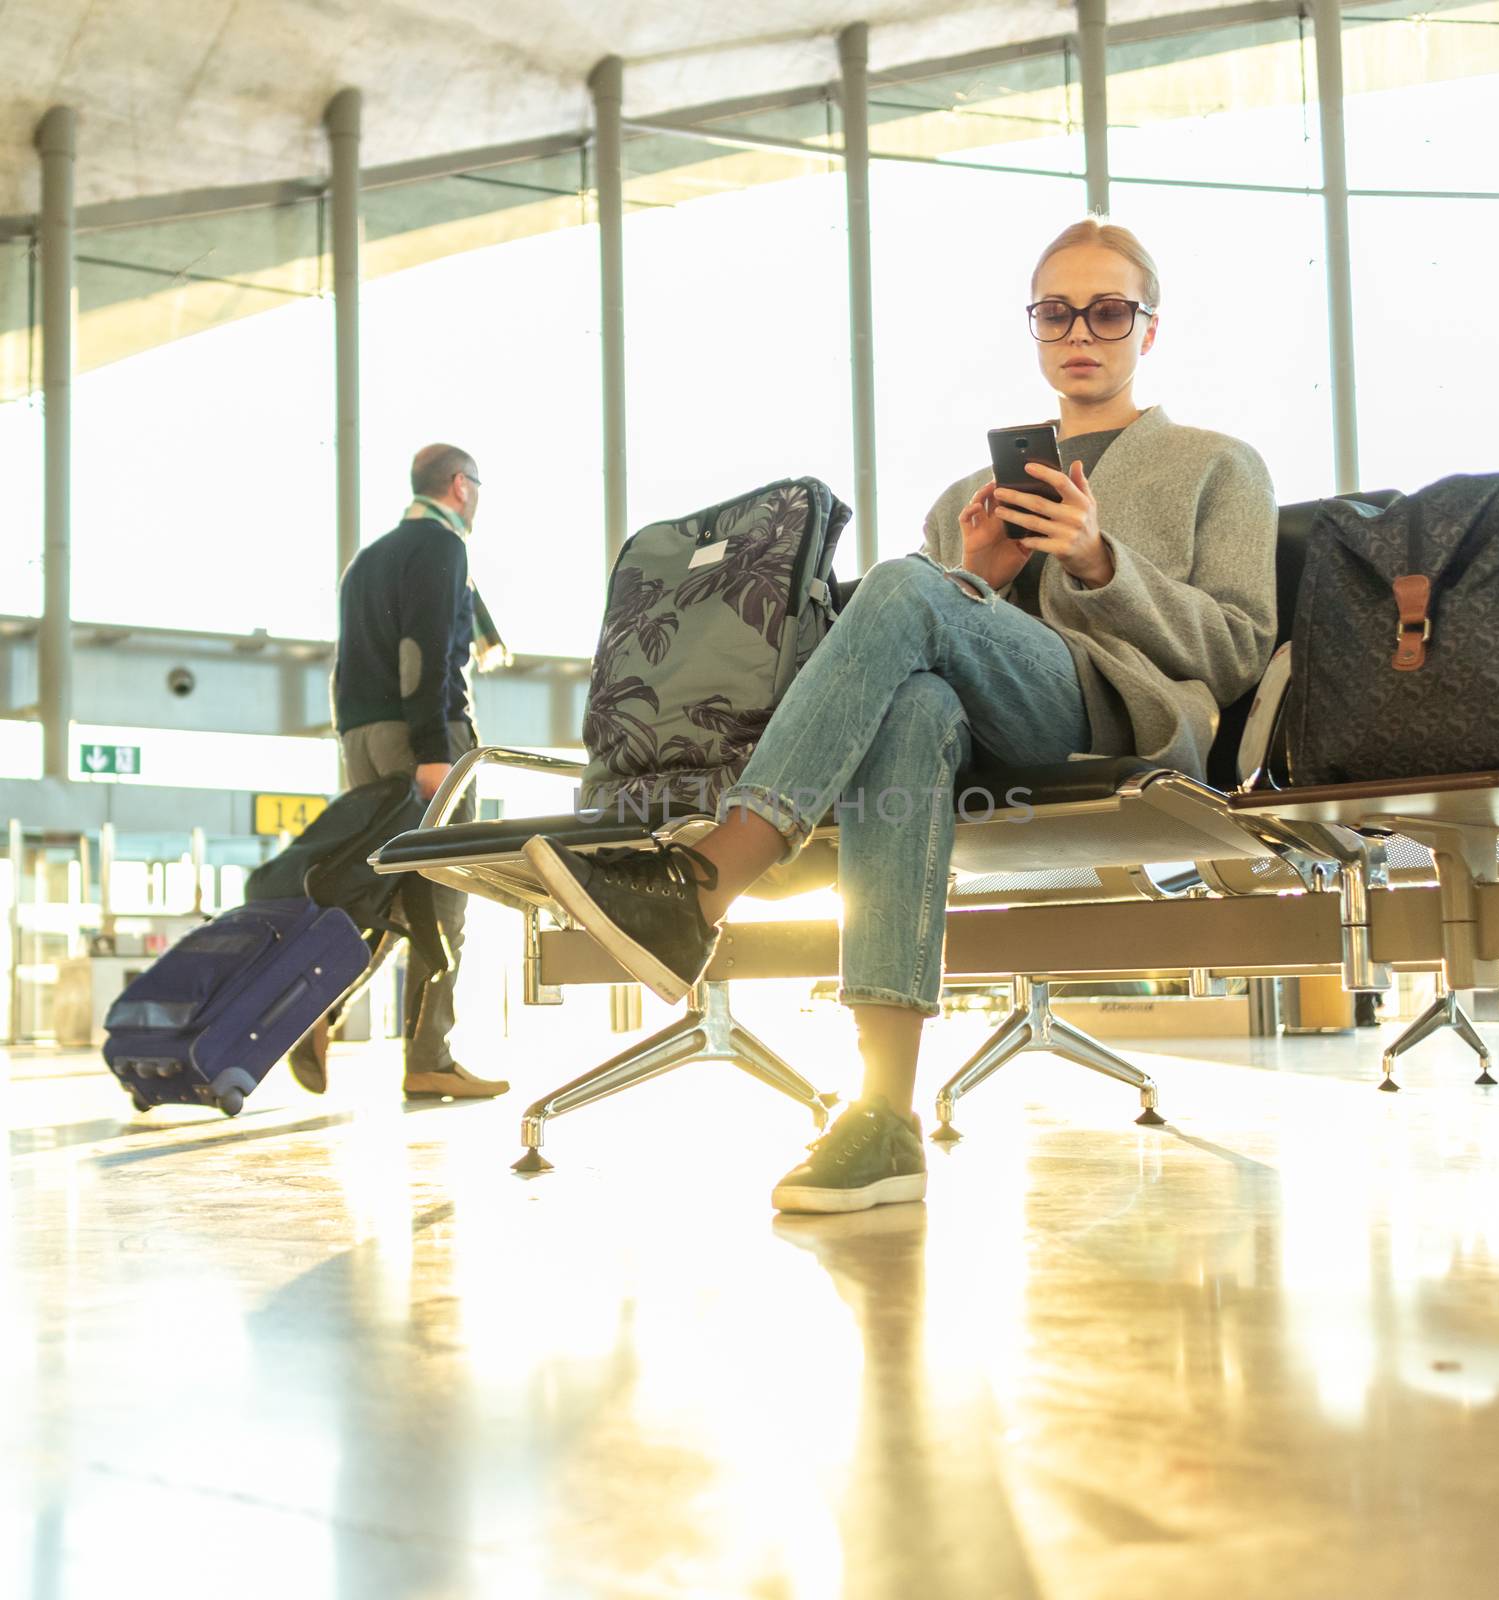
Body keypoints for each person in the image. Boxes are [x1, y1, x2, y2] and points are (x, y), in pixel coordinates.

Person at [526, 219, 1278, 1209]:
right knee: (914, 703)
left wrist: (1101, 563)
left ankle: (709, 878)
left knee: (900, 585)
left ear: (1148, 331)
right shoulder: (972, 493)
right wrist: (978, 577)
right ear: (1035, 329)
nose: (1080, 330)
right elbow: (922, 648)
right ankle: (883, 1116)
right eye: (1056, 311)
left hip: (1116, 718)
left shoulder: (1215, 464)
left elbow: (1234, 651)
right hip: (978, 726)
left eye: (1107, 310)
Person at [296, 443, 509, 1101]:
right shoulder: (442, 548)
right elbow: (422, 655)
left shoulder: (367, 560)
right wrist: (431, 749)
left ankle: (315, 1009)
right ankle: (430, 1057)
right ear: (458, 485)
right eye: (478, 483)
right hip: (421, 737)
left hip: (360, 737)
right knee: (443, 892)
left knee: (383, 894)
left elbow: (350, 663)